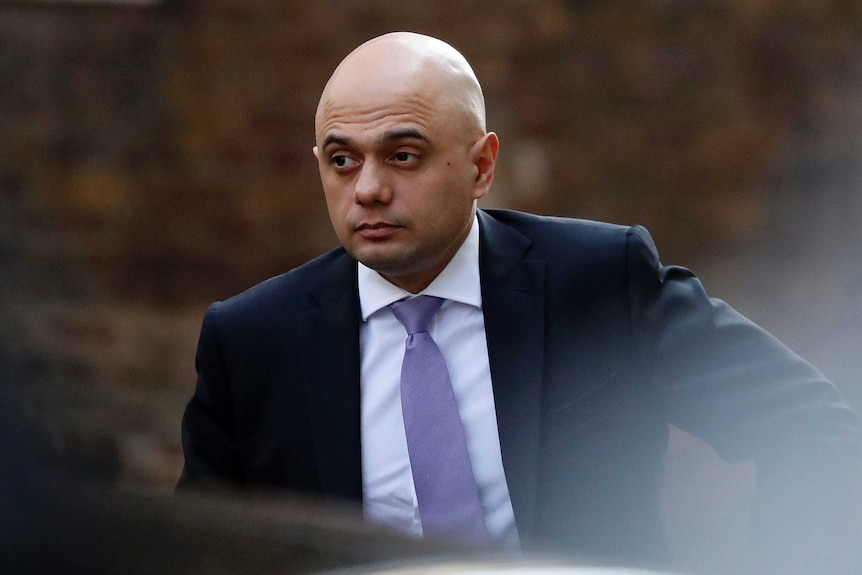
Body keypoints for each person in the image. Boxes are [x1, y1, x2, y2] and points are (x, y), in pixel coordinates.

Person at [179, 32, 861, 573]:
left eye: (404, 155)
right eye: (342, 159)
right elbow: (198, 548)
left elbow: (812, 426)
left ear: (481, 166)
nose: (368, 189)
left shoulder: (598, 284)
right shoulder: (252, 340)